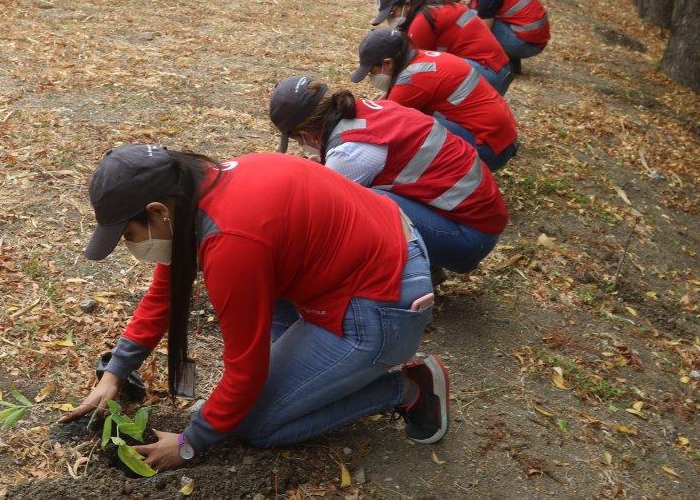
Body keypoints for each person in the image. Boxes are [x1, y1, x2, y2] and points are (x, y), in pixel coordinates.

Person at [62, 143, 451, 469]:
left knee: (256, 426)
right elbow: (164, 291)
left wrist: (190, 442)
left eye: (129, 234)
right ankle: (311, 372)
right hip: (376, 249)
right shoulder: (200, 187)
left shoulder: (232, 241)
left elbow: (245, 368)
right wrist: (115, 371)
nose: (131, 245)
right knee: (250, 399)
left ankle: (409, 390)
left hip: (383, 301)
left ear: (159, 212)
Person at [270, 77, 507, 276]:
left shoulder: (350, 152)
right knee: (362, 195)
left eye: (297, 140)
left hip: (470, 237)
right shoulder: (363, 110)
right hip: (480, 217)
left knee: (361, 206)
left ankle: (408, 279)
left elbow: (318, 215)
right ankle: (424, 265)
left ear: (305, 135)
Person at [350, 28, 519, 171]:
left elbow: (380, 123)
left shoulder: (411, 80)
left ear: (388, 64)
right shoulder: (424, 58)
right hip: (501, 139)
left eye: (372, 72)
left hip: (490, 149)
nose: (372, 77)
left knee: (405, 134)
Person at [373, 0, 513, 94]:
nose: (391, 19)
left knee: (425, 82)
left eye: (393, 13)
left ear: (407, 5)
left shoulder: (422, 21)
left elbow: (410, 69)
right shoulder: (434, 7)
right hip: (498, 69)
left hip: (490, 73)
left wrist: (390, 96)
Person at [454, 0, 551, 75]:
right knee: (485, 17)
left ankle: (495, 63)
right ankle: (511, 64)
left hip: (526, 45)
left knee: (473, 19)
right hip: (535, 41)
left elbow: (483, 32)